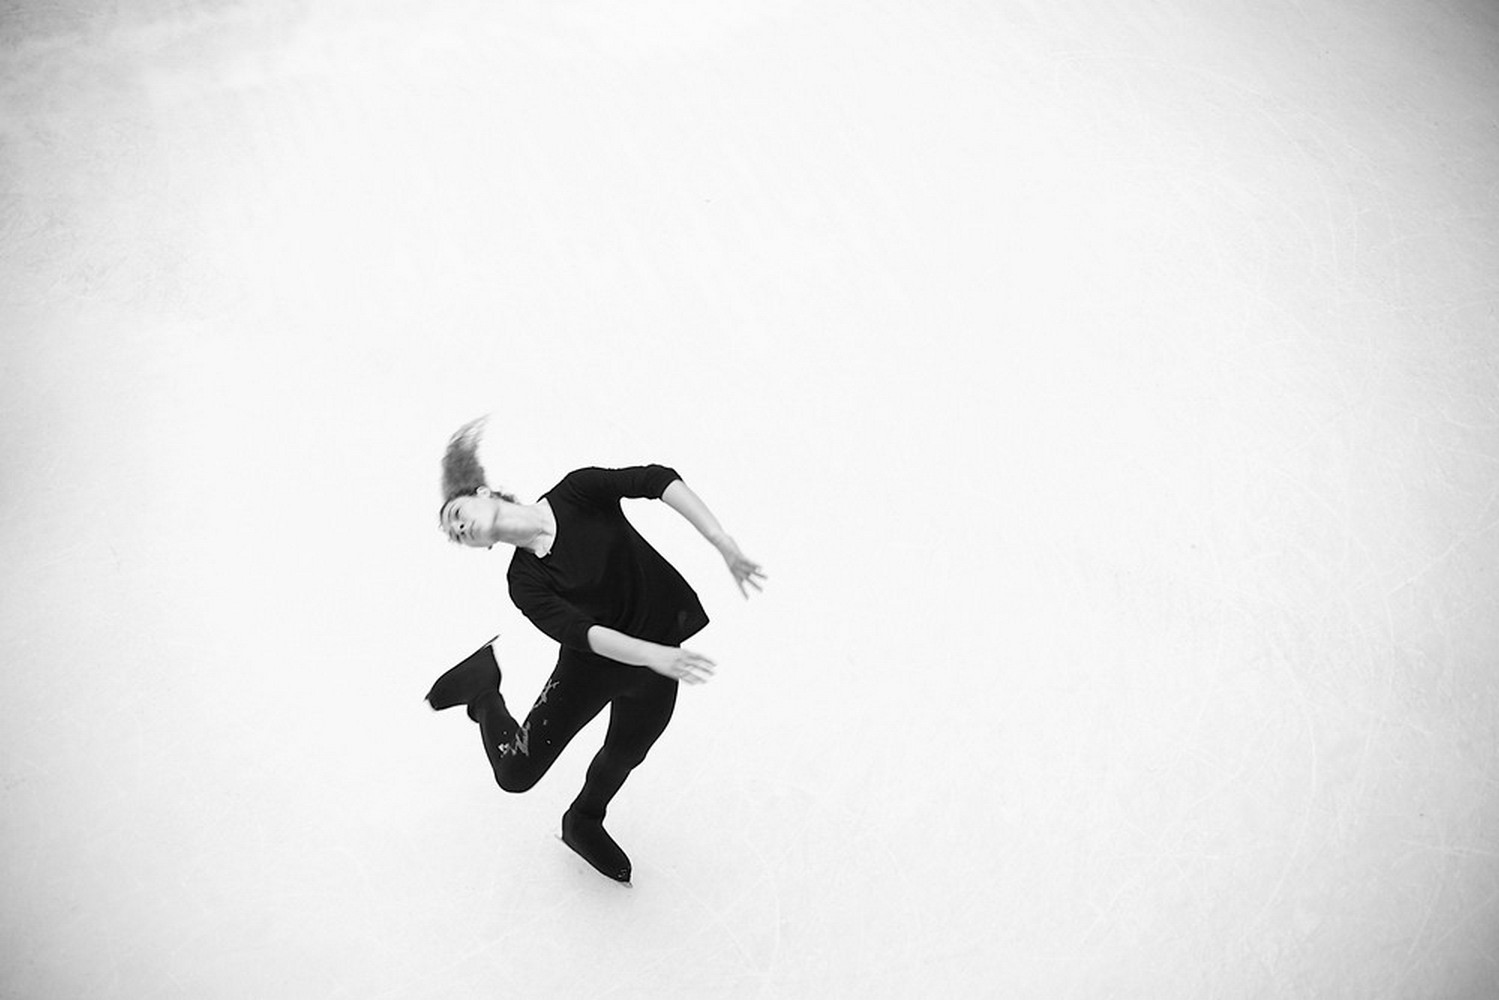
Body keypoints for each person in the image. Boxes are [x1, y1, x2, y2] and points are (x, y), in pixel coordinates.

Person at [425, 416, 766, 884]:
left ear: (484, 493)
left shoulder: (576, 492)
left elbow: (654, 479)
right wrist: (651, 654)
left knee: (628, 751)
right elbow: (582, 632)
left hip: (658, 653)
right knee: (514, 775)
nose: (459, 527)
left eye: (456, 513)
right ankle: (483, 692)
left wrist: (721, 541)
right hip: (594, 668)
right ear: (478, 546)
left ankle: (583, 819)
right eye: (455, 533)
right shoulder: (524, 582)